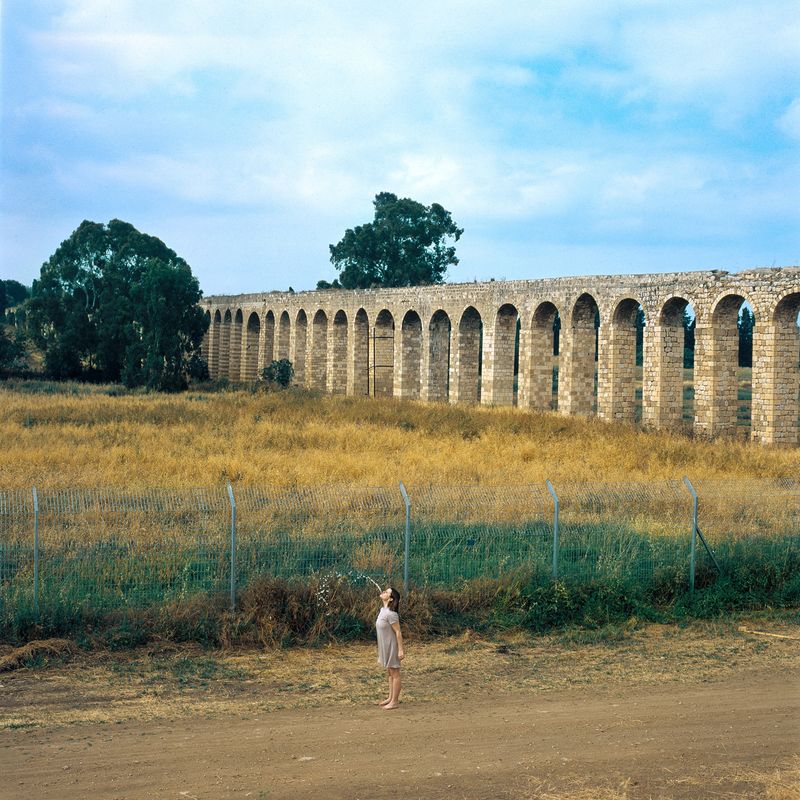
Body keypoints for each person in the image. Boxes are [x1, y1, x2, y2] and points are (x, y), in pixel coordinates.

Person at [376, 586, 404, 710]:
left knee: (395, 673)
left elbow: (398, 632)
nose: (384, 592)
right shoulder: (383, 610)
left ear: (391, 599)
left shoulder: (391, 614)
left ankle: (394, 702)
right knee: (389, 672)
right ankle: (390, 697)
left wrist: (400, 650)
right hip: (384, 646)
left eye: (387, 592)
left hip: (392, 646)